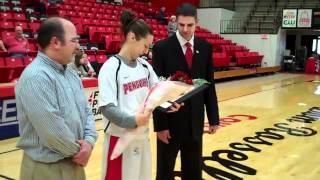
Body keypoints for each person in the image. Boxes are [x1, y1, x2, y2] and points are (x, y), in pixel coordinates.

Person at [98, 10, 181, 180]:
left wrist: (170, 103)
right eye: (145, 45)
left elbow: (158, 93)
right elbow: (107, 108)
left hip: (142, 137)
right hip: (120, 139)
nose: (146, 51)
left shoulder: (145, 66)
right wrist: (133, 120)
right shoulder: (111, 67)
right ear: (132, 37)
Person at [15, 17, 98, 180]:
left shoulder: (71, 73)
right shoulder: (36, 77)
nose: (78, 46)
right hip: (46, 169)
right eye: (74, 40)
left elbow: (86, 111)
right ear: (55, 42)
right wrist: (81, 152)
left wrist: (88, 142)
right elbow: (53, 133)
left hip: (75, 162)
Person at [152, 3, 220, 180]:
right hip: (170, 124)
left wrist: (213, 118)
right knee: (165, 171)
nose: (185, 29)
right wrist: (161, 126)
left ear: (197, 22)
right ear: (176, 23)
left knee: (193, 171)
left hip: (195, 123)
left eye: (190, 25)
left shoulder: (205, 47)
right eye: (181, 25)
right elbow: (156, 92)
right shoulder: (161, 48)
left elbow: (209, 84)